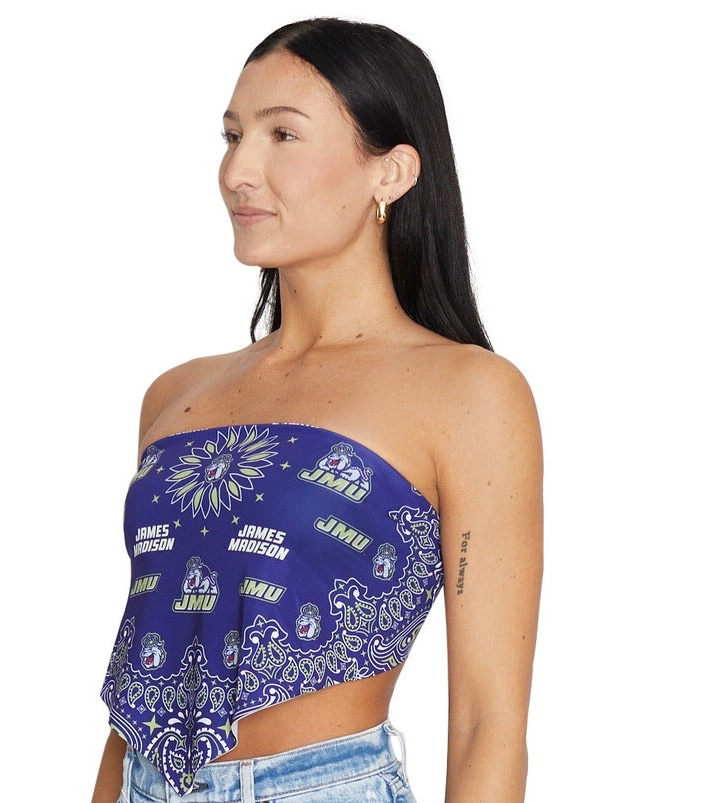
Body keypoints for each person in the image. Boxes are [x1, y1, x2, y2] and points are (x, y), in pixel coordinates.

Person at [92, 17, 543, 803]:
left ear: (390, 172)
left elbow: (487, 719)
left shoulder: (468, 392)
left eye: (283, 135)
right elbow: (143, 678)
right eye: (233, 135)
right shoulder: (176, 397)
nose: (238, 170)